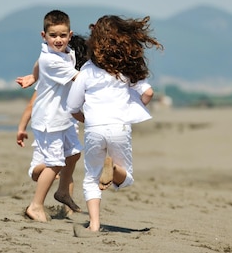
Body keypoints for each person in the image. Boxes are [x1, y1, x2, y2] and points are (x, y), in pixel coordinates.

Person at [66, 15, 163, 234]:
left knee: (91, 177)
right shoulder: (125, 70)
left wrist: (86, 119)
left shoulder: (87, 71)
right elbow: (148, 93)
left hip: (94, 128)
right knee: (125, 179)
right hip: (119, 127)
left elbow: (72, 107)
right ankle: (115, 169)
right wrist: (131, 107)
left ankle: (94, 224)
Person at [16, 10, 83, 222]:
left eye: (62, 35)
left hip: (64, 119)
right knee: (55, 163)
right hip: (49, 119)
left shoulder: (64, 53)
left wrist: (33, 76)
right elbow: (80, 81)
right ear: (43, 36)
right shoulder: (52, 61)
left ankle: (62, 191)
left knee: (73, 154)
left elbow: (38, 62)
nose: (58, 40)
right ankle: (35, 206)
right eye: (53, 35)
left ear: (70, 35)